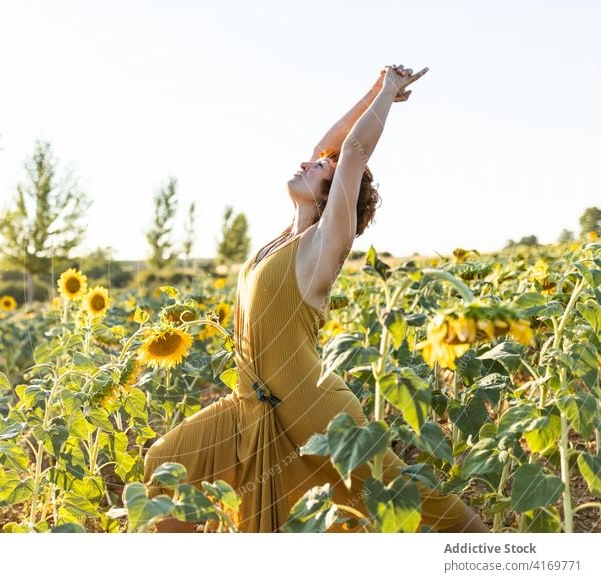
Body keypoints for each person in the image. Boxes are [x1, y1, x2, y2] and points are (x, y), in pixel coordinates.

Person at [143, 64, 489, 533]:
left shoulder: (324, 246)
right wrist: (372, 89)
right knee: (166, 465)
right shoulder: (284, 238)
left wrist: (388, 93)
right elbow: (330, 148)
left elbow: (353, 151)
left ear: (332, 195)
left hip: (313, 408)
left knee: (402, 492)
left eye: (320, 170)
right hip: (248, 404)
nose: (308, 163)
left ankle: (487, 548)